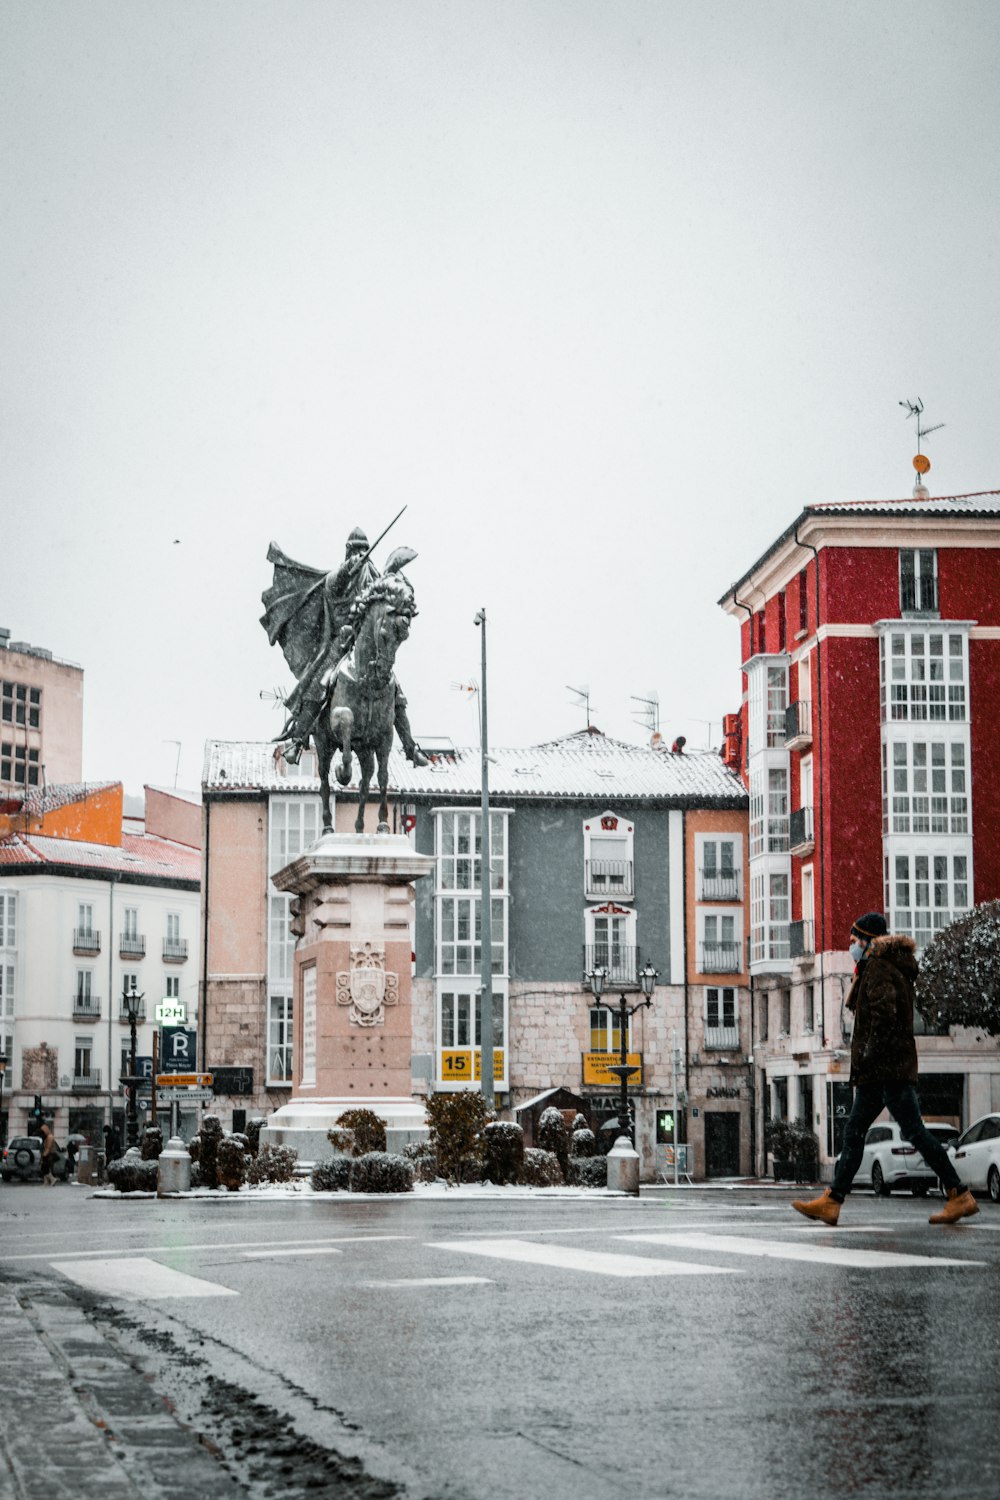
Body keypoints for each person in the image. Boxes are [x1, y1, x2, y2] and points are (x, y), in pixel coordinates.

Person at [792, 912, 978, 1227]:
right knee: (885, 1132)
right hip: (889, 1067)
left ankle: (957, 1194)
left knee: (883, 1133)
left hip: (883, 1070)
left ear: (868, 942)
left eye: (854, 941)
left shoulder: (878, 968)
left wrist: (866, 1053)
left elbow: (883, 1016)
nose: (851, 946)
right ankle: (835, 1200)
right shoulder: (888, 967)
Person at [260, 527, 428, 767]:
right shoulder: (337, 579)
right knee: (318, 684)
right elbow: (334, 584)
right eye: (357, 551)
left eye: (364, 551)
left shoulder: (372, 580)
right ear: (349, 552)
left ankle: (410, 746)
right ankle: (298, 740)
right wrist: (350, 568)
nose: (361, 556)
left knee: (396, 692)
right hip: (340, 645)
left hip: (369, 646)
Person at [39, 1121, 58, 1186]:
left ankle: (52, 1179)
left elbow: (48, 1147)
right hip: (47, 1154)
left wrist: (44, 1155)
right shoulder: (47, 1137)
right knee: (44, 1169)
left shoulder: (49, 1137)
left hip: (48, 1155)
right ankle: (46, 1182)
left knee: (45, 1168)